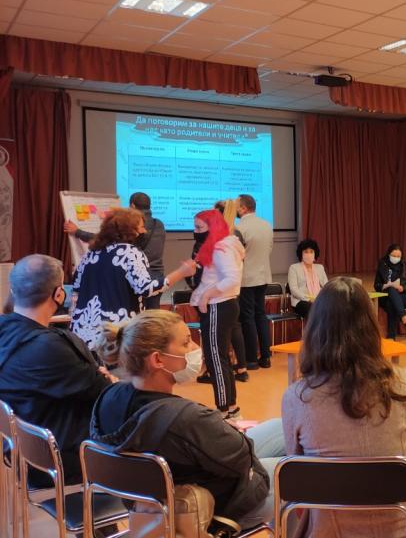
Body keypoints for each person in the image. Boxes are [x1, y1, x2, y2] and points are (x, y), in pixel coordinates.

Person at [90, 310, 283, 530]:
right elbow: (242, 459)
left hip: (153, 498)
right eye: (186, 343)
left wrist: (215, 429)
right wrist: (218, 428)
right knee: (299, 468)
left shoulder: (108, 398)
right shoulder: (185, 418)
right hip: (211, 510)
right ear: (157, 359)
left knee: (281, 427)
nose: (195, 348)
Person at [282, 277, 406, 538]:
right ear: (370, 326)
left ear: (316, 329)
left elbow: (297, 478)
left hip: (327, 530)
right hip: (400, 527)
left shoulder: (297, 397)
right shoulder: (403, 384)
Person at [0, 255, 113, 486]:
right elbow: (105, 392)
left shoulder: (5, 331)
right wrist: (107, 378)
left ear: (13, 290)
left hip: (21, 452)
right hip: (60, 461)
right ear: (59, 294)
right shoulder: (50, 346)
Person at [71, 207, 194, 351]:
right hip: (116, 333)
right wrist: (181, 272)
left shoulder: (90, 254)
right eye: (141, 227)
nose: (144, 231)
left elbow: (76, 286)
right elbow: (145, 288)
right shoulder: (130, 252)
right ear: (128, 230)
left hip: (83, 334)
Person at [65, 192, 166, 310]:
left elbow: (106, 239)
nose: (143, 231)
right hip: (156, 276)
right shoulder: (159, 224)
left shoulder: (130, 247)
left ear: (132, 206)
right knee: (152, 316)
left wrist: (77, 232)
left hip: (134, 278)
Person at [191, 209, 246, 418]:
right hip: (221, 306)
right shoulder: (222, 244)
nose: (195, 232)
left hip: (218, 306)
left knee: (215, 359)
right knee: (220, 358)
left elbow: (232, 278)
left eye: (199, 227)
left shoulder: (221, 247)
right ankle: (230, 408)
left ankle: (223, 410)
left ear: (212, 227)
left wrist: (206, 295)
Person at [236, 194, 274, 369]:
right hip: (263, 275)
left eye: (237, 206)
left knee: (247, 317)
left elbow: (237, 255)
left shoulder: (239, 228)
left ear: (243, 208)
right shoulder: (267, 225)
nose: (235, 209)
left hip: (246, 278)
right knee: (260, 315)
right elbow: (270, 249)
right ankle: (266, 357)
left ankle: (251, 359)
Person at [374, 244, 406, 340]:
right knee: (391, 291)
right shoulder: (382, 265)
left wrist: (403, 288)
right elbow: (376, 285)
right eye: (393, 256)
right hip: (386, 296)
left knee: (391, 303)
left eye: (398, 256)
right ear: (388, 254)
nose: (396, 258)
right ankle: (403, 317)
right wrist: (385, 286)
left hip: (404, 296)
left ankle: (391, 335)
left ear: (401, 256)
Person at [288, 239, 329, 319]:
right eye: (306, 252)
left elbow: (327, 286)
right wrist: (308, 299)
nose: (309, 254)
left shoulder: (320, 268)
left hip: (318, 299)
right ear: (301, 254)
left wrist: (320, 298)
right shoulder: (294, 268)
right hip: (301, 301)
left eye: (311, 252)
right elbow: (293, 289)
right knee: (313, 308)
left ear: (315, 254)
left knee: (332, 306)